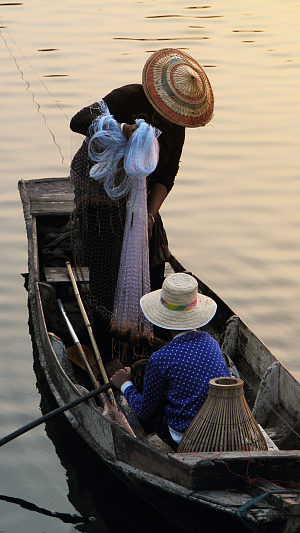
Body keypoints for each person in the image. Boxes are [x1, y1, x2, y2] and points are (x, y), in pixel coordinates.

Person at [68, 49, 214, 359]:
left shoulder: (177, 126)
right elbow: (78, 121)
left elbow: (167, 175)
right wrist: (121, 130)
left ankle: (147, 344)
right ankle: (108, 350)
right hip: (100, 190)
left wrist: (149, 215)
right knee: (107, 269)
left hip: (139, 197)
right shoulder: (129, 97)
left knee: (154, 259)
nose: (171, 119)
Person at [109, 273, 230, 449]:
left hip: (185, 436)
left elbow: (144, 410)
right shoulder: (210, 342)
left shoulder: (160, 358)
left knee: (143, 379)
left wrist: (125, 385)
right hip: (219, 428)